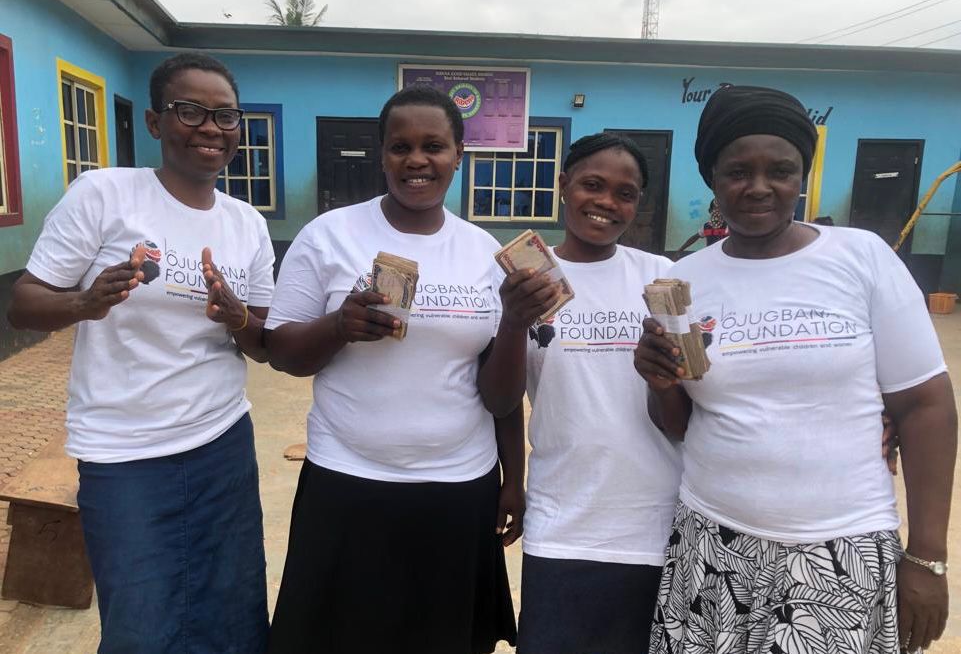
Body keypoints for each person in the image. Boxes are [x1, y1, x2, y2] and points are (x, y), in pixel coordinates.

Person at [635, 85, 957, 654]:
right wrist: (660, 382)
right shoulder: (686, 280)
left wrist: (927, 557)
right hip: (712, 544)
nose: (759, 187)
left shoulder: (860, 258)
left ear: (802, 174)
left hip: (840, 550)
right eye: (738, 171)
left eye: (781, 170)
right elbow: (680, 423)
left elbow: (925, 405)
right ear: (712, 177)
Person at [264, 85, 556, 654]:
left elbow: (499, 398)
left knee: (441, 638)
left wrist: (512, 480)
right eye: (401, 146)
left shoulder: (482, 252)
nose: (417, 160)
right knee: (339, 637)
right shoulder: (330, 236)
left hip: (456, 489)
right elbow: (282, 353)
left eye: (434, 146)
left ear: (459, 155)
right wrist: (338, 325)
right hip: (347, 483)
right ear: (382, 154)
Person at [7, 53, 274, 652]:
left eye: (225, 115)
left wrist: (239, 319)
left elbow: (262, 340)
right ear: (155, 123)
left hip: (221, 443)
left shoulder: (247, 225)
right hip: (123, 452)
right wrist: (84, 303)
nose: (210, 127)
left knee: (231, 610)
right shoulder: (105, 194)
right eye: (191, 111)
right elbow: (23, 302)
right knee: (141, 620)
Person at [511, 133, 680, 654]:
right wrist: (510, 322)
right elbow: (498, 400)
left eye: (625, 193)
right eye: (592, 184)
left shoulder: (663, 278)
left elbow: (698, 398)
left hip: (656, 519)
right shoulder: (529, 278)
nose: (607, 202)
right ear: (563, 185)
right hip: (562, 518)